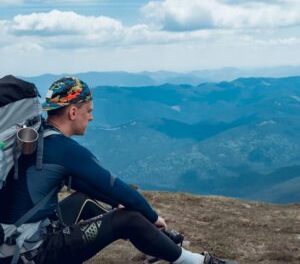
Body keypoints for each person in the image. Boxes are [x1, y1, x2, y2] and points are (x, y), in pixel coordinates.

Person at [5, 76, 233, 264]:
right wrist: (152, 217)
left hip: (9, 242)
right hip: (31, 254)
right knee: (128, 219)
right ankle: (196, 262)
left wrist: (117, 204)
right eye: (89, 110)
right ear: (73, 112)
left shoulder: (35, 139)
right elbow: (116, 187)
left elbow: (86, 186)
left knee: (85, 200)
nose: (92, 117)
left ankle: (155, 245)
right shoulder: (64, 150)